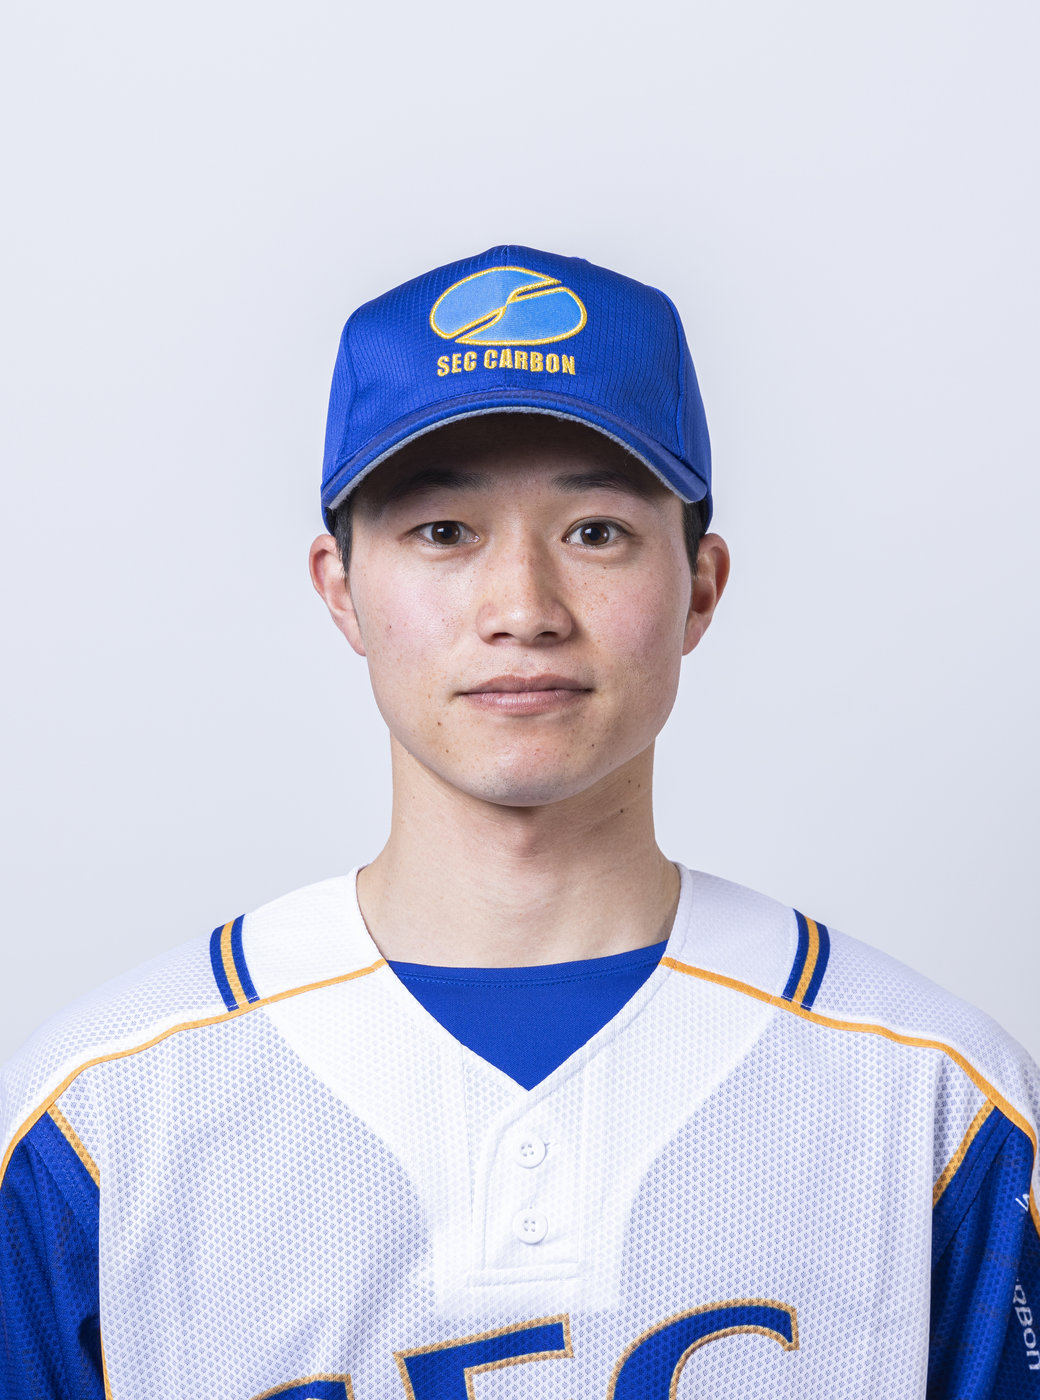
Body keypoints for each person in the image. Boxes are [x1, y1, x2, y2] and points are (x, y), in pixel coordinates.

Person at [1, 245, 1037, 1400]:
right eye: (443, 531)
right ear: (340, 588)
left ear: (699, 586)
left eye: (593, 530)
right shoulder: (103, 1113)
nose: (522, 609)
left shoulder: (930, 1097)